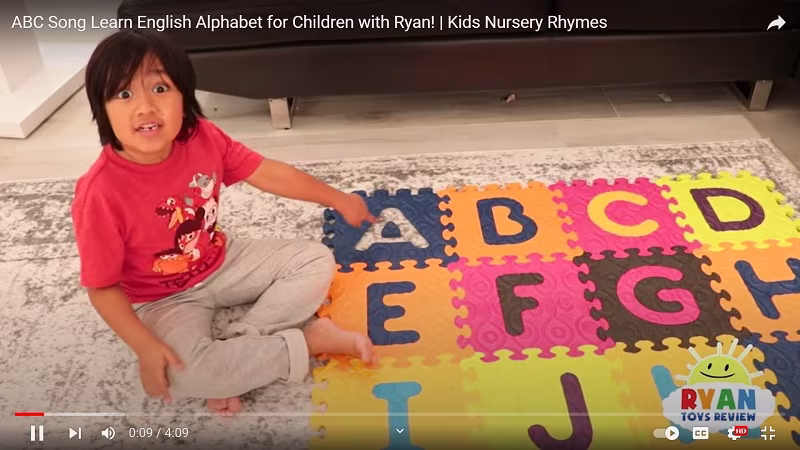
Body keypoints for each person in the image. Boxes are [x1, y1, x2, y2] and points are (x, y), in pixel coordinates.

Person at [71, 29, 376, 415]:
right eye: (124, 94)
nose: (145, 107)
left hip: (222, 260)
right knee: (184, 376)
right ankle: (308, 343)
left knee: (315, 258)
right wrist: (145, 347)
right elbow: (102, 288)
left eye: (160, 88)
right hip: (162, 299)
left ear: (185, 95)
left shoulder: (202, 135)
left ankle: (241, 347)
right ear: (101, 109)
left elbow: (267, 172)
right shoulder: (99, 193)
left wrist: (337, 199)